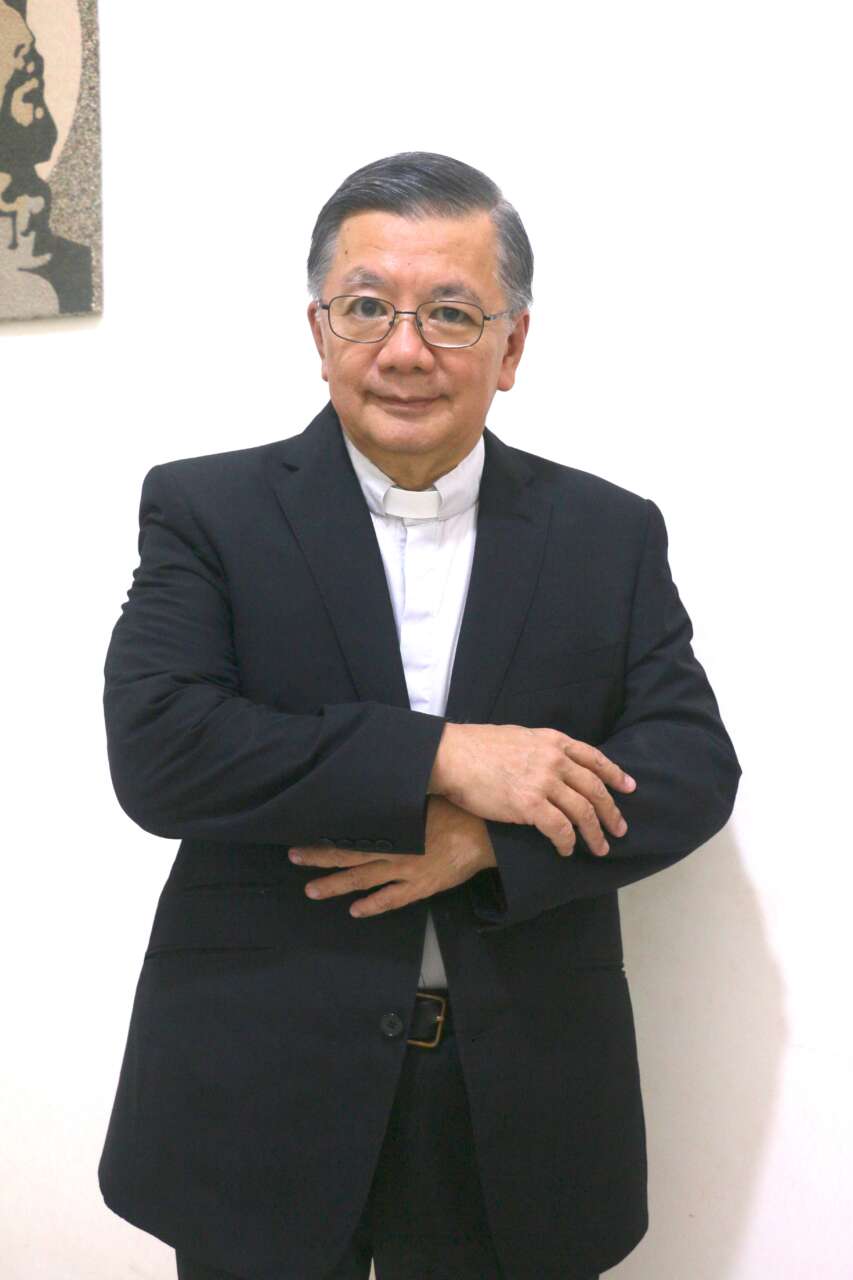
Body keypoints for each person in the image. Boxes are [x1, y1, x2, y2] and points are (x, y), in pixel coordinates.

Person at [98, 151, 742, 1280]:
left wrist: (487, 842)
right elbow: (163, 750)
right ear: (318, 330)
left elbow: (690, 766)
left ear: (512, 345)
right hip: (259, 1084)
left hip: (521, 1099)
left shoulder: (608, 530)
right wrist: (444, 756)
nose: (403, 349)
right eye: (366, 307)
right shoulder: (206, 508)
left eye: (450, 312)